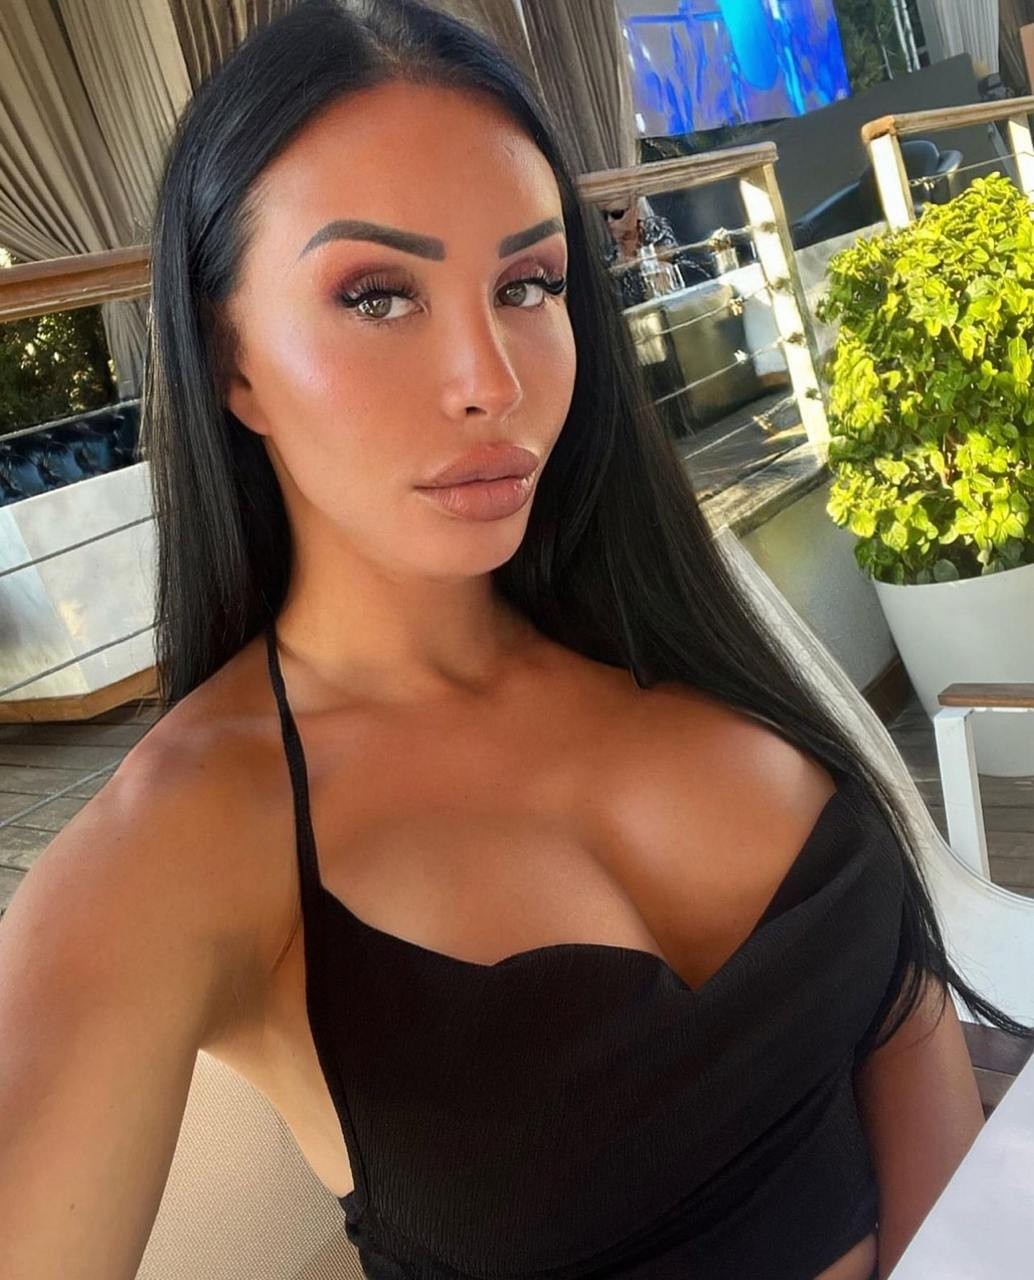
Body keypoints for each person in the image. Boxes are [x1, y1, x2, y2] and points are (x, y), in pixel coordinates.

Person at [2, 2, 1031, 1279]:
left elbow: (894, 1000)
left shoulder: (668, 609)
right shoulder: (186, 837)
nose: (489, 378)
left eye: (527, 283)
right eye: (377, 295)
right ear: (232, 364)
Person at [600, 196, 711, 308]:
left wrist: (640, 262)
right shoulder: (608, 254)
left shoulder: (657, 230)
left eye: (617, 214)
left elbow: (689, 263)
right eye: (604, 216)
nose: (609, 222)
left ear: (635, 209)